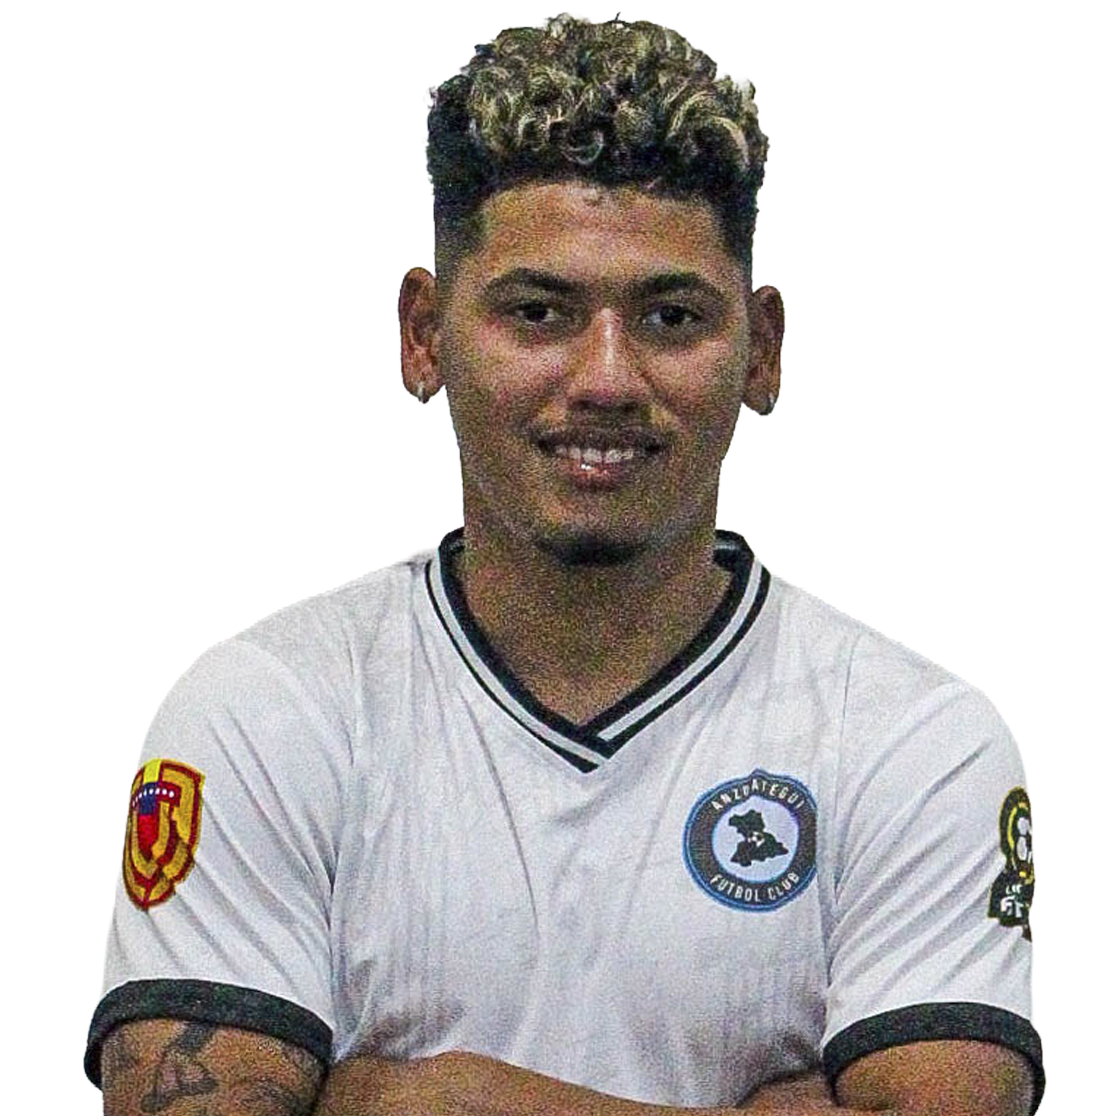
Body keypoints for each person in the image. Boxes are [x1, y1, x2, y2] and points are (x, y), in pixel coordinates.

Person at [84, 12, 1043, 1115]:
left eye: (670, 316)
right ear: (424, 334)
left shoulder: (915, 740)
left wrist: (421, 1100)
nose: (606, 379)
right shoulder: (264, 711)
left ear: (763, 350)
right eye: (539, 312)